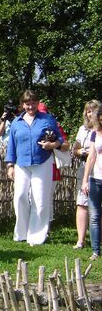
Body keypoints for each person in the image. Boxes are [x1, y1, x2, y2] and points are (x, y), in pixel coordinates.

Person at [5, 90, 63, 246]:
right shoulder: (17, 122)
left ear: (37, 103)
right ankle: (21, 233)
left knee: (40, 199)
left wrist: (52, 144)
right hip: (21, 164)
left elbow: (60, 138)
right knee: (20, 197)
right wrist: (10, 165)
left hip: (42, 162)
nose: (30, 106)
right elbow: (12, 145)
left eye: (33, 103)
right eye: (27, 103)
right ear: (22, 105)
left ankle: (37, 235)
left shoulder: (47, 119)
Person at [72, 100, 102, 249]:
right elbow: (75, 149)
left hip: (99, 169)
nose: (91, 114)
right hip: (85, 167)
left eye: (94, 110)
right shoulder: (83, 129)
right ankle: (81, 240)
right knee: (82, 203)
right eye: (88, 111)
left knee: (97, 208)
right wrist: (81, 151)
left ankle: (98, 240)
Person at [36, 102, 70, 224]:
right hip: (33, 165)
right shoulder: (27, 123)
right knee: (32, 197)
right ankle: (34, 225)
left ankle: (47, 226)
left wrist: (54, 144)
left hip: (52, 166)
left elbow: (66, 145)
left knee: (47, 197)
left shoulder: (54, 125)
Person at [82, 106, 102, 260]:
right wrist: (85, 180)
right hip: (96, 178)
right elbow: (91, 157)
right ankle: (96, 251)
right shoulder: (95, 133)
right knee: (94, 215)